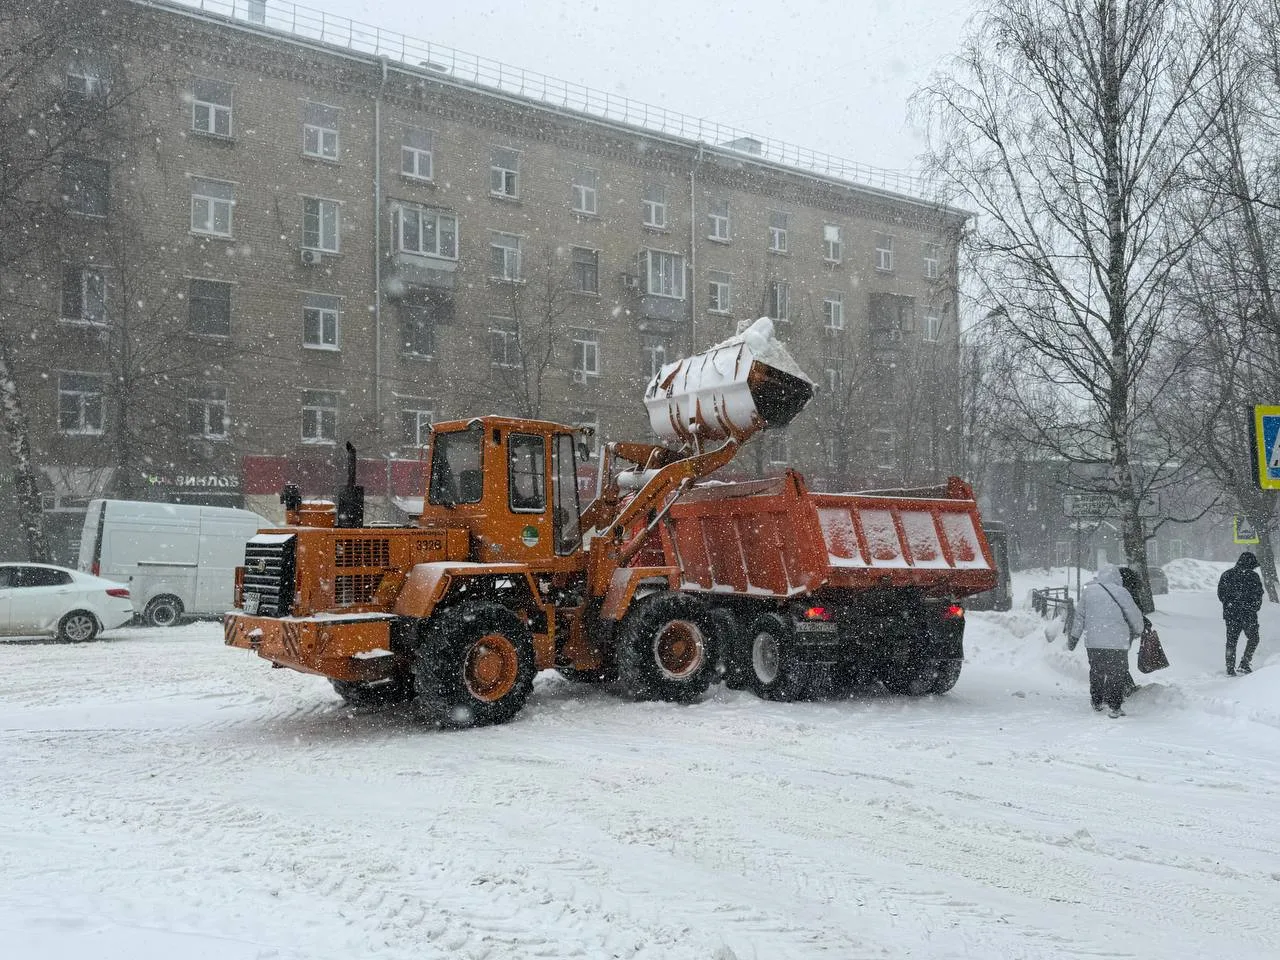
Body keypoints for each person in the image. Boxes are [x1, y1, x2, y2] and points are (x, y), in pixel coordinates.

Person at [1067, 564, 1145, 717]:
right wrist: (1139, 629)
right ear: (1117, 577)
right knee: (1117, 673)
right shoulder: (1122, 592)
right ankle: (1115, 706)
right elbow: (1134, 614)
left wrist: (1074, 638)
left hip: (1094, 642)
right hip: (1117, 642)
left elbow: (1079, 618)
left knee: (1097, 671)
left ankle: (1097, 701)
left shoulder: (1088, 592)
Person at [1217, 552, 1264, 676]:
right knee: (1254, 638)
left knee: (1231, 641)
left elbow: (1221, 594)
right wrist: (1253, 607)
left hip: (1231, 615)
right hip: (1249, 615)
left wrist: (1230, 605)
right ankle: (1244, 663)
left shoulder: (1226, 575)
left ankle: (1230, 668)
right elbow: (1259, 594)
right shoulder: (1253, 577)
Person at [1117, 567, 1152, 697]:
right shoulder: (1130, 592)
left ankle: (1124, 686)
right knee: (1120, 659)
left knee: (1117, 659)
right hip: (1126, 630)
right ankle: (1126, 686)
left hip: (1118, 629)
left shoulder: (1119, 592)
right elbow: (1136, 611)